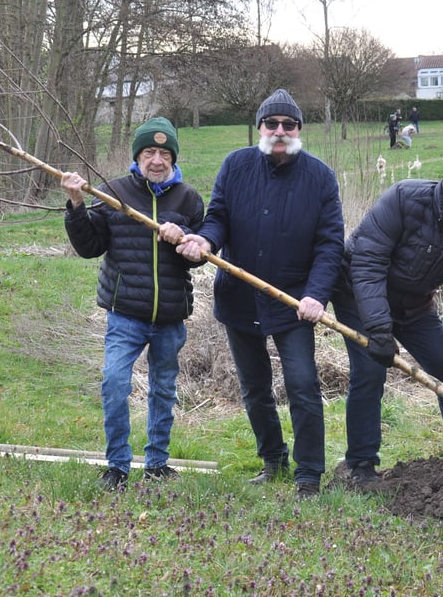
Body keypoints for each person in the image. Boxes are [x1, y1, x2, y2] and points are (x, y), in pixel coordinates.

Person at [177, 89, 344, 500]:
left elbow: (330, 244)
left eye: (288, 125)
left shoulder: (320, 177)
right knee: (254, 387)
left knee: (303, 385)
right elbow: (218, 218)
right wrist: (206, 243)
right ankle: (273, 461)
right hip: (240, 297)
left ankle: (308, 474)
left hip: (294, 304)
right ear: (260, 128)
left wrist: (317, 295)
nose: (280, 131)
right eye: (272, 124)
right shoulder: (235, 166)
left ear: (299, 130)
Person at [331, 155, 443, 484]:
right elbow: (367, 262)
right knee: (370, 370)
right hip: (358, 293)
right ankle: (361, 466)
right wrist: (379, 329)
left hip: (414, 307)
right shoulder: (405, 199)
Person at [62, 116, 205, 492]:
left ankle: (157, 463)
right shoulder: (114, 193)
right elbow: (88, 247)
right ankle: (118, 467)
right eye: (148, 152)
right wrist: (76, 204)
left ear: (173, 157)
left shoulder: (188, 199)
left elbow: (203, 253)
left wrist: (187, 240)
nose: (156, 160)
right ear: (137, 157)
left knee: (163, 389)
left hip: (171, 316)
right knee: (114, 383)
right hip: (125, 314)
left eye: (163, 153)